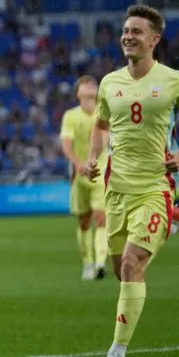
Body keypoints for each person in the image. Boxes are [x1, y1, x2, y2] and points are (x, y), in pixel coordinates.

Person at [85, 5, 179, 357]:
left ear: (154, 39)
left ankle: (117, 352)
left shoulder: (175, 81)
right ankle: (171, 222)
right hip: (117, 188)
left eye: (137, 31)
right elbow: (101, 125)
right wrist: (94, 158)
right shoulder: (109, 82)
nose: (128, 36)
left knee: (130, 263)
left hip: (156, 185)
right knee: (117, 265)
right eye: (125, 30)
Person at [59, 75, 109, 280]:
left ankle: (99, 263)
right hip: (80, 174)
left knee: (101, 217)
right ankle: (87, 263)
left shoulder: (105, 112)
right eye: (85, 83)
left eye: (93, 83)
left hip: (100, 172)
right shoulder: (71, 116)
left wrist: (91, 160)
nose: (90, 84)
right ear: (78, 93)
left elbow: (104, 140)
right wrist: (78, 163)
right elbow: (66, 143)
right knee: (84, 221)